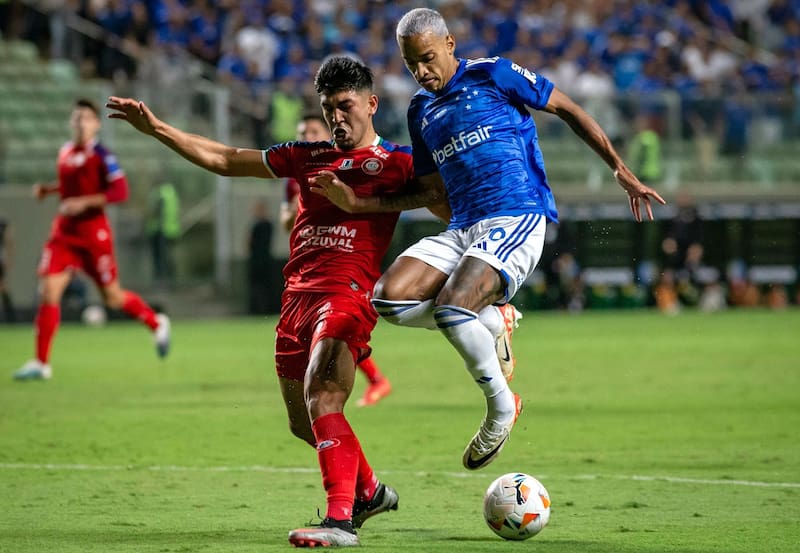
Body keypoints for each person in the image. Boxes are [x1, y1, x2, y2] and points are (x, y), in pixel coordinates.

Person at [311, 8, 665, 472]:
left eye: (428, 58)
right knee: (389, 299)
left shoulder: (494, 74)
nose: (421, 71)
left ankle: (501, 408)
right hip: (464, 227)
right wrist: (357, 206)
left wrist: (618, 167)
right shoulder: (421, 110)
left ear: (450, 44)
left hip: (517, 213)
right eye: (410, 63)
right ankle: (492, 321)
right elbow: (428, 191)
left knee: (453, 308)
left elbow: (567, 108)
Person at [106, 56, 440, 548]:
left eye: (346, 106)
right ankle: (368, 491)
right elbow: (224, 159)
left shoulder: (398, 164)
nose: (337, 118)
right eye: (329, 109)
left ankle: (340, 521)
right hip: (296, 299)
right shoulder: (306, 156)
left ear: (371, 104)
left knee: (324, 395)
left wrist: (365, 204)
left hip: (346, 295)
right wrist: (156, 128)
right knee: (304, 422)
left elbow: (445, 202)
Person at [13, 98, 171, 381]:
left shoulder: (102, 155)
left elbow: (120, 191)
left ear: (96, 124)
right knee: (48, 290)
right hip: (64, 234)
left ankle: (155, 321)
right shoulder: (65, 152)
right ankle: (41, 362)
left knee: (111, 297)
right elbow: (71, 186)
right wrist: (49, 191)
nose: (79, 122)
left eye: (85, 118)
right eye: (75, 118)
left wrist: (83, 203)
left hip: (93, 236)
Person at [281, 112, 393, 408]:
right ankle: (377, 381)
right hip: (307, 269)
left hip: (346, 270)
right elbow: (284, 223)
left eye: (312, 130)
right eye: (302, 131)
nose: (306, 136)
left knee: (332, 341)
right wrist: (299, 204)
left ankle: (377, 381)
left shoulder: (352, 166)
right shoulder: (295, 178)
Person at [146, 179, 181, 286]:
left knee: (160, 258)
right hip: (172, 229)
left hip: (159, 230)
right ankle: (171, 280)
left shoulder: (159, 193)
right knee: (169, 257)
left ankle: (161, 281)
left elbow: (156, 211)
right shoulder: (172, 192)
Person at [246, 199, 275, 314]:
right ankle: (260, 310)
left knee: (260, 286)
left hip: (260, 260)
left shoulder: (259, 225)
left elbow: (249, 242)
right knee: (260, 287)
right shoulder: (268, 225)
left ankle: (260, 310)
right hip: (262, 259)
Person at [0, 214, 17, 323]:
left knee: (3, 287)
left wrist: (9, 259)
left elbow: (9, 242)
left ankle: (11, 318)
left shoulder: (3, 224)